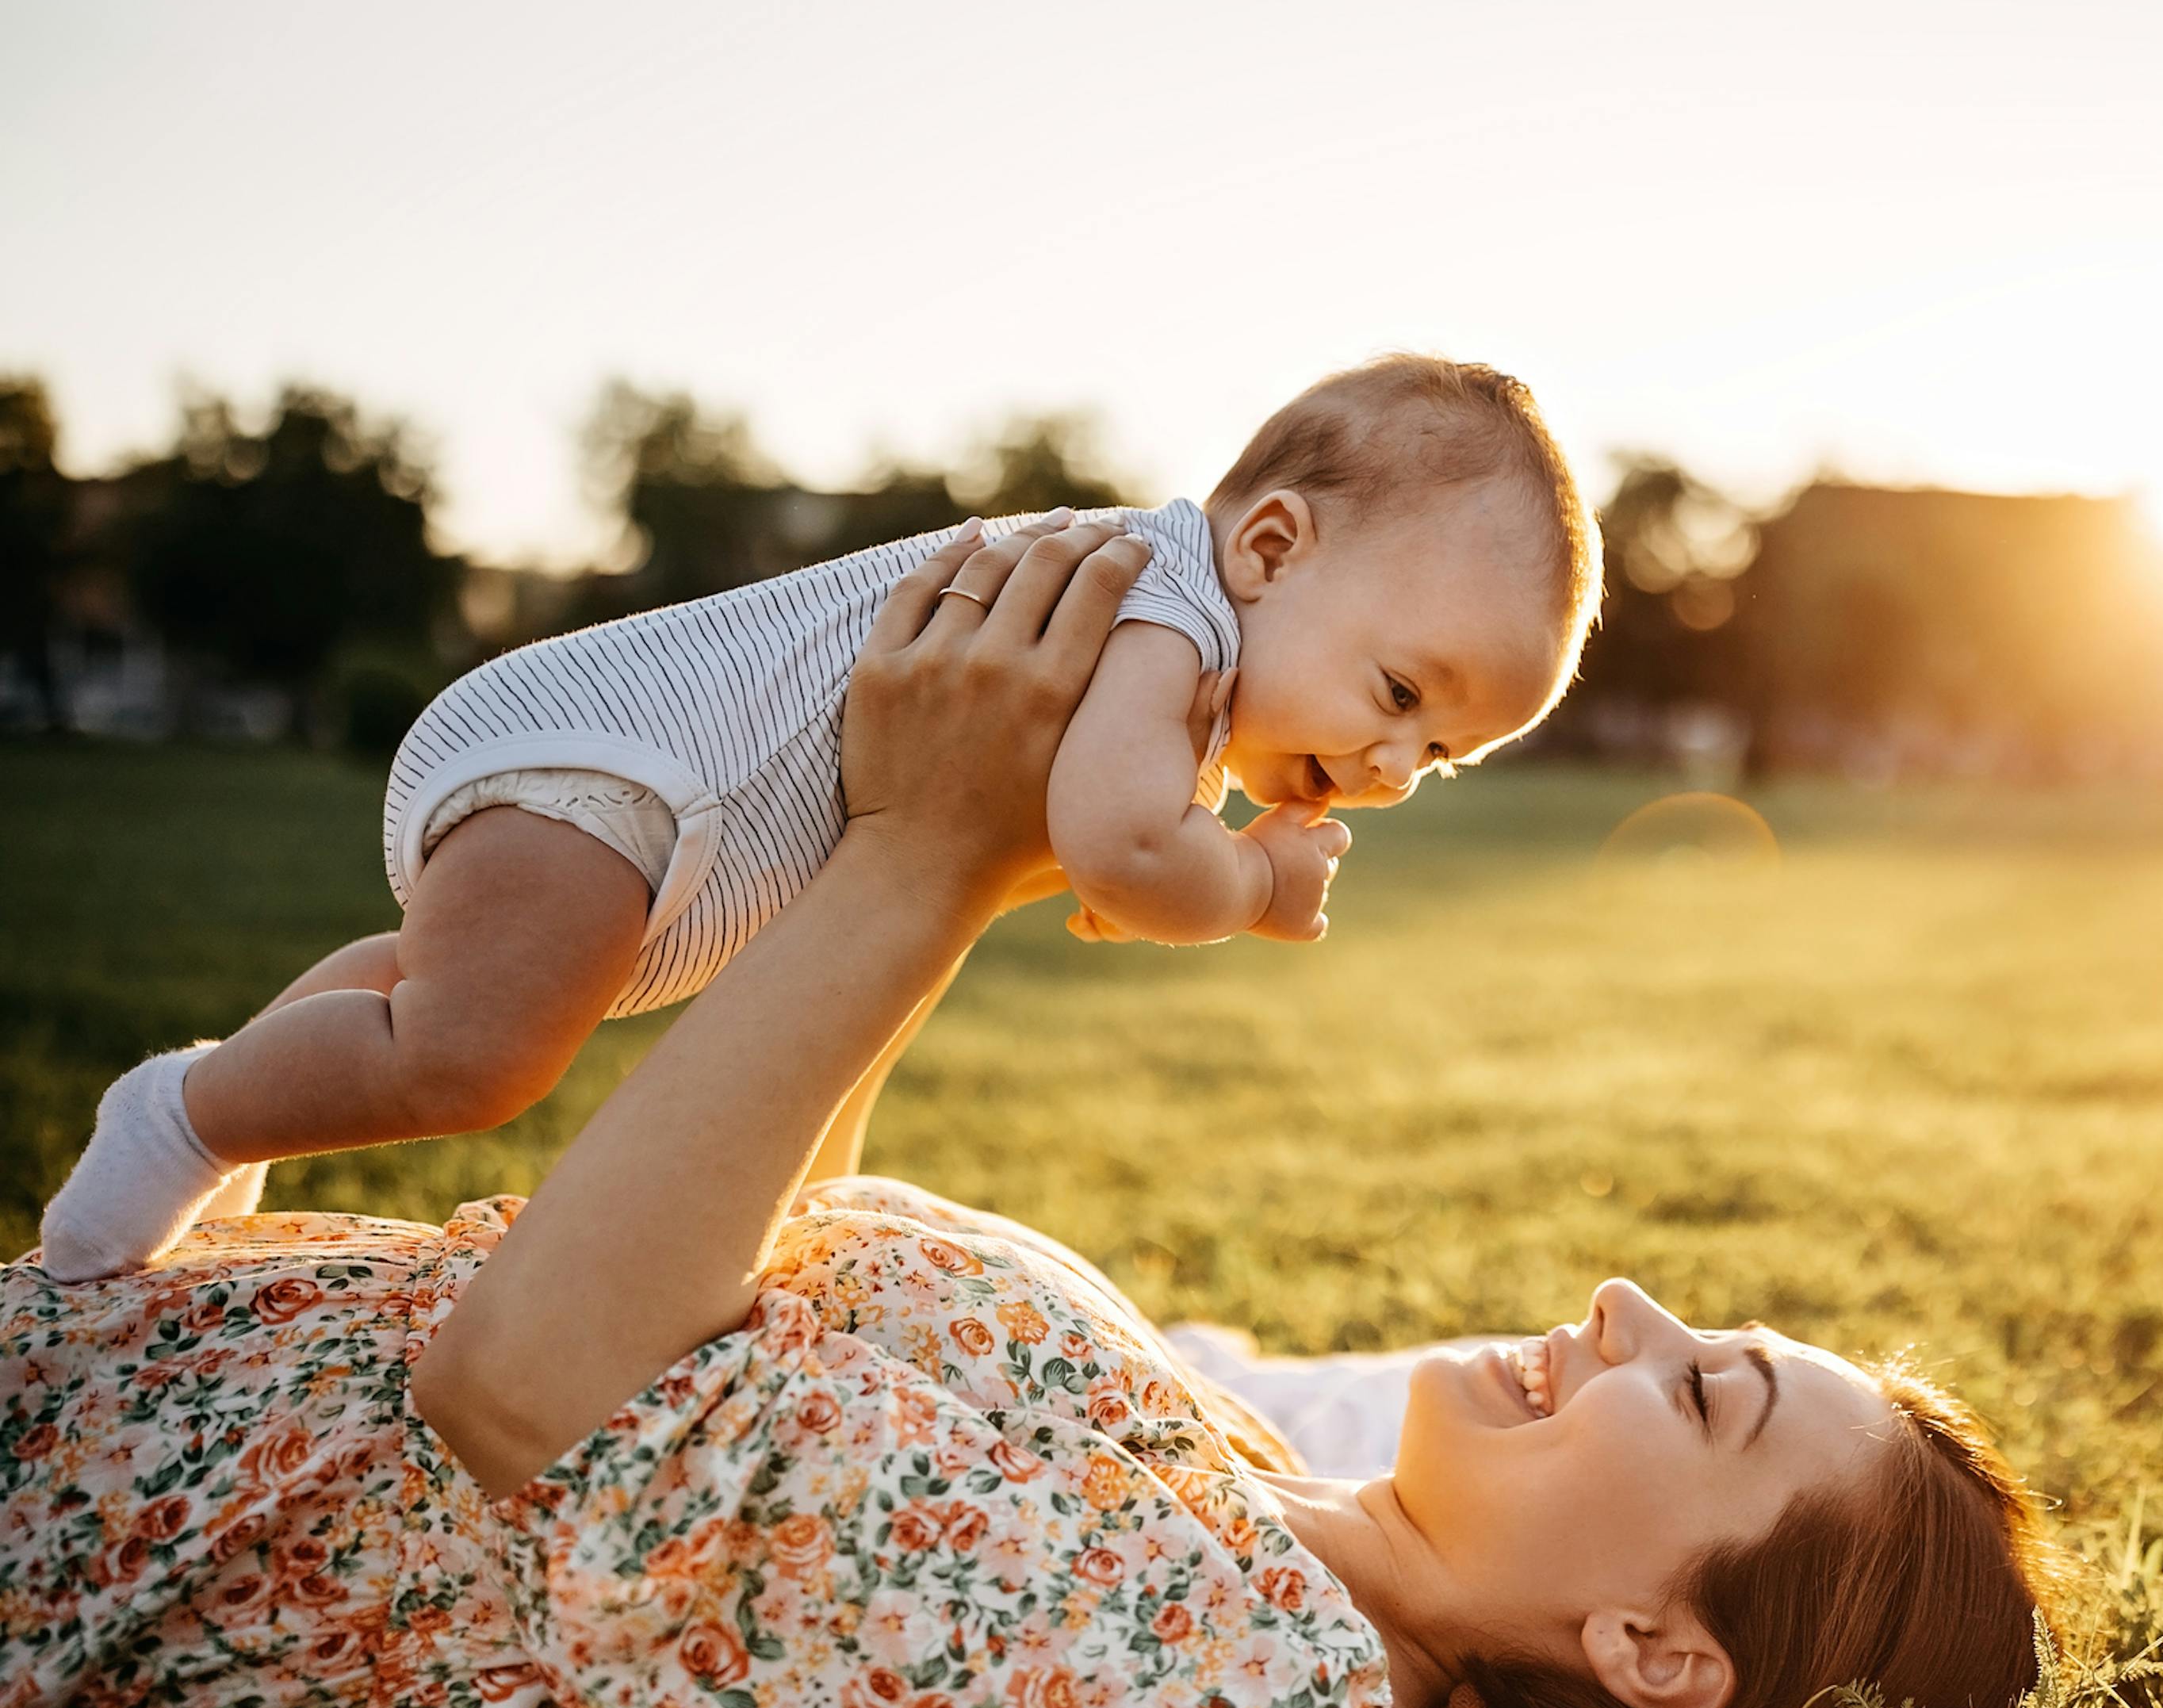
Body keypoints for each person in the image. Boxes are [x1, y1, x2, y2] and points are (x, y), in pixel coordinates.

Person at [2, 523, 2068, 1708]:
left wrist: (918, 857)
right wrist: (947, 863)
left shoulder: (1242, 1683)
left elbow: (536, 1398)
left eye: (1703, 1394)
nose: (1623, 1300)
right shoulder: (1258, 1501)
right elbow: (773, 1281)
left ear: (1652, 1653)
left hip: (78, 1558)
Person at [39, 356, 1602, 1283]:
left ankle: (244, 1098)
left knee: (432, 990)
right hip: (629, 767)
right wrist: (1251, 877)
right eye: (1402, 689)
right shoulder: (1167, 612)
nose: (1397, 763)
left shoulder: (1172, 648)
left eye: (1445, 753)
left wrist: (1180, 849)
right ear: (1270, 543)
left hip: (620, 793)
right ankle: (183, 1112)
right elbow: (1125, 849)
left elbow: (1089, 846)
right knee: (478, 1055)